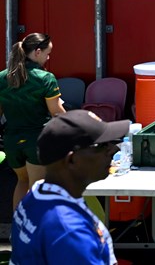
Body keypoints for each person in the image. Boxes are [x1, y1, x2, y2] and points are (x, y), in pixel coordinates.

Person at [11, 111, 129, 264]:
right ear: (72, 159)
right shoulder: (69, 231)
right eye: (101, 145)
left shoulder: (36, 194)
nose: (113, 149)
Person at [0, 33, 65, 210]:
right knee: (37, 188)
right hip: (36, 140)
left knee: (22, 182)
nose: (48, 57)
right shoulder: (45, 78)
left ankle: (18, 230)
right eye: (47, 53)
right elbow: (57, 112)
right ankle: (35, 233)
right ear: (37, 52)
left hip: (12, 142)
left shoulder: (2, 78)